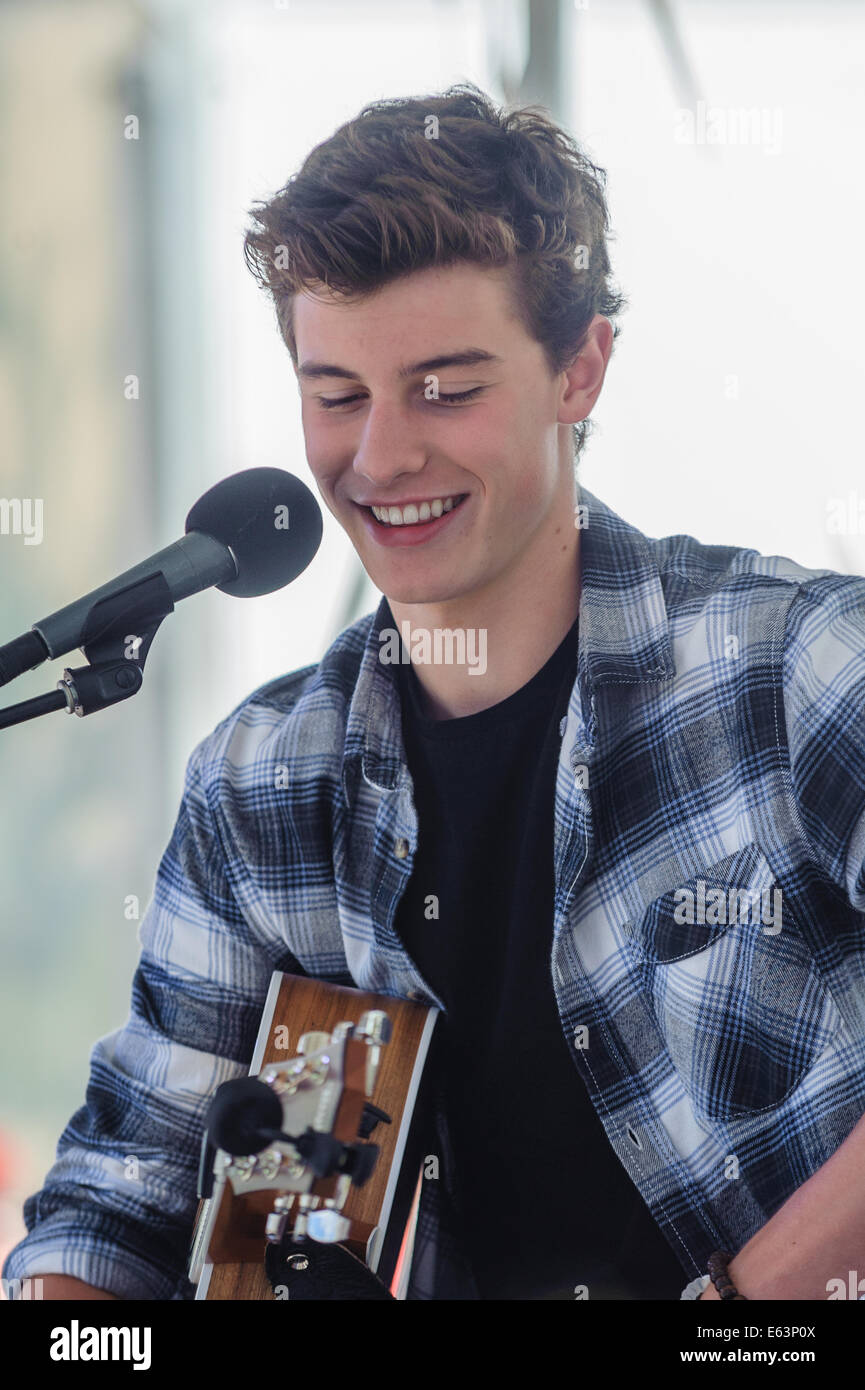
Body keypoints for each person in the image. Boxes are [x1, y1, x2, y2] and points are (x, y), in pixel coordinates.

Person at [5, 84, 865, 1302]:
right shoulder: (264, 786)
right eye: (337, 395)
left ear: (581, 368)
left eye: (447, 389)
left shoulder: (796, 668)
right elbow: (116, 1205)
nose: (383, 457)